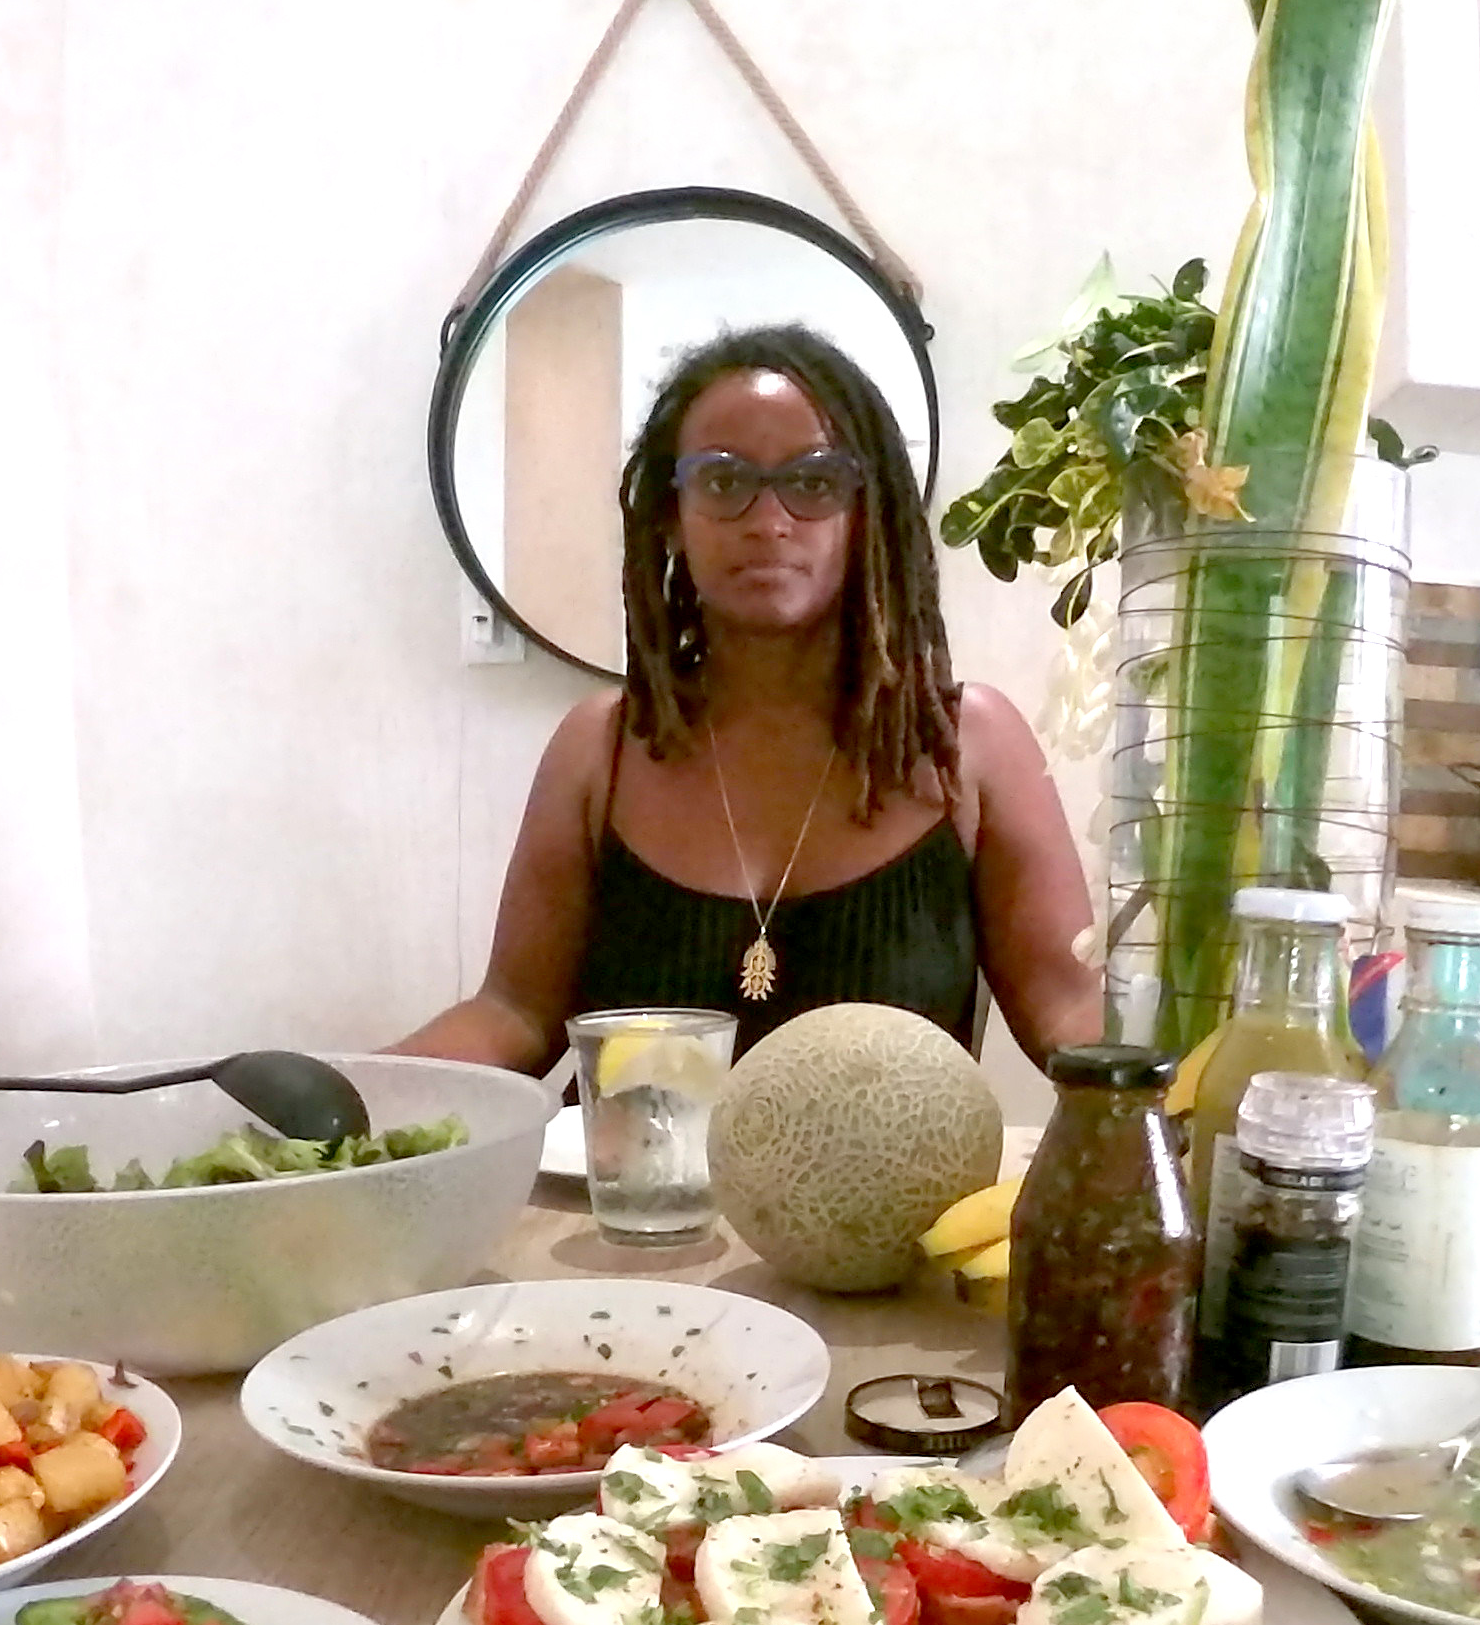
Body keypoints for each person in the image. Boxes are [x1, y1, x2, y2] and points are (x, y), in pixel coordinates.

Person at [396, 323, 1101, 1074]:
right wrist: (354, 1090)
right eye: (725, 482)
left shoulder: (967, 744)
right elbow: (514, 1012)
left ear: (868, 512)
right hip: (633, 1192)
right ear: (672, 515)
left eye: (814, 482)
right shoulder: (599, 748)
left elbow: (1067, 1008)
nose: (770, 524)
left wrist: (1208, 1070)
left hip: (896, 1198)